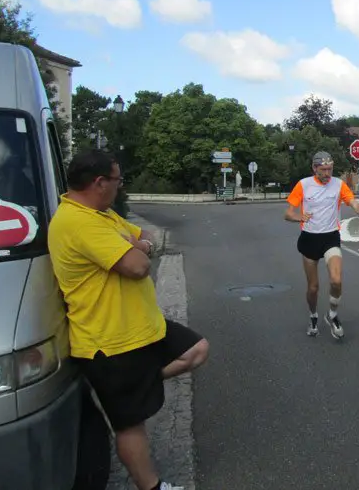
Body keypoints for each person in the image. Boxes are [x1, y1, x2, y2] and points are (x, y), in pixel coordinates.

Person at [48, 149, 209, 490]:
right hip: (109, 341)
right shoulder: (79, 222)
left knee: (196, 349)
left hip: (141, 327)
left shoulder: (99, 214)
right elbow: (138, 267)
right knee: (129, 426)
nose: (120, 188)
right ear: (99, 182)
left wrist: (137, 244)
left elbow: (144, 239)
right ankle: (152, 486)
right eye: (118, 181)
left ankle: (133, 390)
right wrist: (138, 248)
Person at [285, 151, 359, 339]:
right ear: (314, 168)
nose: (327, 173)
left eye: (330, 169)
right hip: (309, 239)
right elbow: (288, 213)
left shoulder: (338, 184)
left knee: (336, 280)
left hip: (330, 237)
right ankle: (313, 315)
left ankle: (331, 315)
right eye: (323, 170)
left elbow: (352, 202)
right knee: (313, 287)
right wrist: (298, 216)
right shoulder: (303, 185)